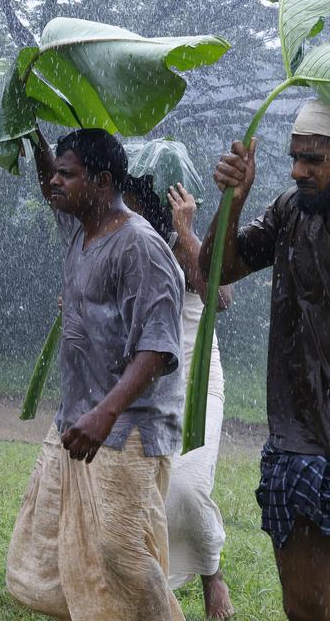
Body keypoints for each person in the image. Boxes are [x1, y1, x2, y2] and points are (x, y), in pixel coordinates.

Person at [7, 128, 185, 621]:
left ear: (102, 181)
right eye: (56, 172)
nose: (54, 183)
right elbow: (49, 180)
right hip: (77, 418)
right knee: (51, 544)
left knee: (120, 551)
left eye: (69, 174)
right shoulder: (81, 227)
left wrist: (105, 415)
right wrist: (31, 132)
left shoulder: (141, 247)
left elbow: (157, 348)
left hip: (127, 424)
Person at [200, 98, 330, 621]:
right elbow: (216, 271)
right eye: (295, 156)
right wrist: (234, 200)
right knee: (307, 604)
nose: (298, 170)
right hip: (299, 436)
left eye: (314, 159)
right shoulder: (288, 210)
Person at [122, 172, 235, 619]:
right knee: (146, 490)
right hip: (146, 381)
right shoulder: (124, 240)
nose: (124, 207)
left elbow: (220, 297)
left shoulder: (185, 239)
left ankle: (212, 574)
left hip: (197, 379)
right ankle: (152, 583)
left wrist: (186, 232)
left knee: (187, 486)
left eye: (133, 200)